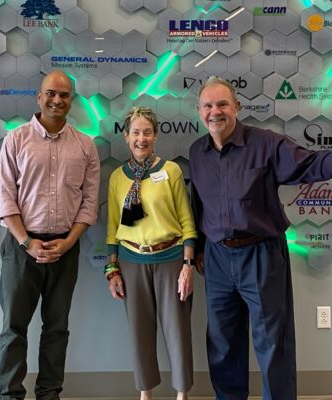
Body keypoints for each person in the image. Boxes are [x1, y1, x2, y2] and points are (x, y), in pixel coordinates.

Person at [189, 77, 332, 400]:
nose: (214, 111)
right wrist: (200, 250)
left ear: (237, 108)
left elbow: (306, 164)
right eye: (208, 106)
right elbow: (198, 205)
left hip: (260, 255)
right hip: (217, 259)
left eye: (222, 104)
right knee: (222, 342)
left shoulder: (265, 144)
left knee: (273, 342)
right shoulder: (197, 152)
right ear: (199, 111)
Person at [0, 70, 100, 400]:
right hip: (21, 246)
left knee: (57, 329)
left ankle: (49, 394)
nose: (57, 100)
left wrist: (68, 242)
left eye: (64, 95)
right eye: (51, 93)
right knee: (14, 328)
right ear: (39, 97)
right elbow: (3, 196)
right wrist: (27, 241)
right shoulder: (16, 140)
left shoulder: (85, 145)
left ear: (72, 101)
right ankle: (10, 395)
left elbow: (89, 202)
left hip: (65, 247)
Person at [106, 106, 197, 400]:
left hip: (170, 260)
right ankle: (146, 393)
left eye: (147, 132)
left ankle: (182, 394)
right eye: (135, 132)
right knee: (140, 335)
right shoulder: (118, 178)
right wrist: (112, 268)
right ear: (126, 136)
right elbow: (112, 228)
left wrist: (188, 265)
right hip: (132, 262)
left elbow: (187, 221)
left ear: (155, 136)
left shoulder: (170, 171)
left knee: (177, 332)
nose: (141, 139)